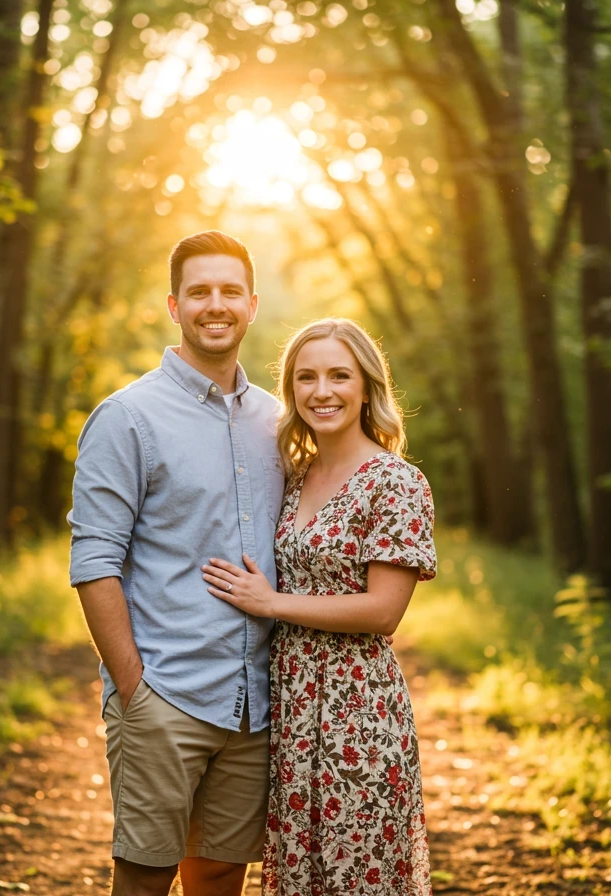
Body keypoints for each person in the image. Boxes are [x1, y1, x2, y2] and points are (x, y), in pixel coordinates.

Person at [68, 231, 284, 896]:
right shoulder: (128, 417)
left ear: (250, 304)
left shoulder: (279, 420)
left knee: (220, 873)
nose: (213, 305)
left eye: (227, 292)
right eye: (199, 292)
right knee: (145, 876)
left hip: (256, 704)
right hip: (167, 693)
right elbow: (94, 559)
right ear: (174, 305)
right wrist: (134, 687)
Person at [203, 318, 436, 895]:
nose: (321, 391)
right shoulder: (297, 474)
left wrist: (272, 603)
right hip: (294, 707)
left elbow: (384, 611)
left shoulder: (396, 481)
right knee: (302, 872)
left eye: (339, 375)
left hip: (357, 711)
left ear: (366, 387)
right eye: (305, 377)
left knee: (358, 874)